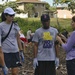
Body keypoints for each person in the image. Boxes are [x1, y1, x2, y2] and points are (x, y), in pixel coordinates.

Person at [0, 7, 24, 75]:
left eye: (13, 15)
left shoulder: (15, 25)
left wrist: (21, 50)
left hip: (15, 51)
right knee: (5, 71)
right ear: (5, 16)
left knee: (15, 72)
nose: (12, 17)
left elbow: (18, 38)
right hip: (5, 52)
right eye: (10, 15)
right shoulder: (1, 26)